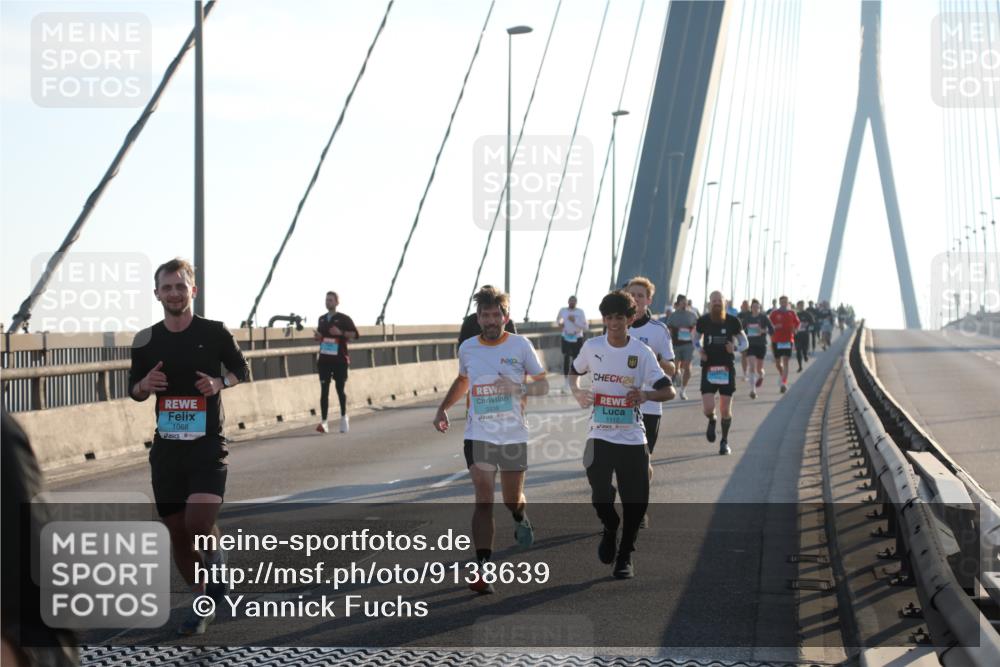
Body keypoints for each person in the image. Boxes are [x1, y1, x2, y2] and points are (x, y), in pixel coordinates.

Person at [129, 258, 250, 635]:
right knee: (177, 532)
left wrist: (219, 383)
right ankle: (201, 604)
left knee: (198, 523)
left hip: (207, 445)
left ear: (192, 290)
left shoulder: (214, 332)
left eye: (181, 286)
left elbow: (241, 370)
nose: (174, 293)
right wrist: (145, 385)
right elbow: (133, 391)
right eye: (167, 288)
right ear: (156, 294)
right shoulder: (146, 340)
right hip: (167, 450)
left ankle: (216, 558)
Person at [434, 286, 548, 594]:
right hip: (478, 434)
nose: (490, 320)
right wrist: (443, 408)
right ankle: (484, 568)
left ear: (505, 316)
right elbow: (462, 380)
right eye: (485, 315)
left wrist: (516, 390)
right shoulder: (468, 348)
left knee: (511, 499)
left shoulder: (521, 345)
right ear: (478, 317)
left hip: (512, 435)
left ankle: (520, 515)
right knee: (484, 499)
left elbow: (542, 386)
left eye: (496, 315)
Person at [570, 290, 674, 579]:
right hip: (599, 434)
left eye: (620, 318)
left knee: (636, 501)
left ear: (631, 319)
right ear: (603, 319)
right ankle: (609, 525)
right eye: (608, 318)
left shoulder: (641, 353)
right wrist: (578, 392)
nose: (613, 323)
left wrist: (645, 394)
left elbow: (669, 390)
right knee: (600, 493)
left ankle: (625, 554)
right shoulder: (592, 347)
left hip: (632, 437)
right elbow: (573, 371)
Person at [625, 277, 676, 529]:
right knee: (623, 464)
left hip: (650, 405)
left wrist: (656, 360)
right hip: (620, 405)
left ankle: (639, 510)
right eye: (631, 294)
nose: (635, 299)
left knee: (642, 463)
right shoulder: (616, 327)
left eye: (640, 295)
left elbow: (672, 367)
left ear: (649, 300)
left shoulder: (658, 330)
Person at [695, 291, 748, 455]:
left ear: (724, 303)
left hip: (726, 367)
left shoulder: (733, 321)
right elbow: (695, 339)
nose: (716, 303)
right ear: (709, 303)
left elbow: (745, 342)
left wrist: (736, 348)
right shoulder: (703, 320)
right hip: (709, 366)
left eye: (719, 300)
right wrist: (700, 351)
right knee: (708, 408)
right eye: (714, 300)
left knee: (725, 409)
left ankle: (724, 441)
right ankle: (712, 419)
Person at [314, 291, 359, 433]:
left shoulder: (344, 319)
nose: (328, 302)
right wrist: (319, 337)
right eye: (326, 300)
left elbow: (355, 334)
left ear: (337, 302)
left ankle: (344, 417)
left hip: (340, 360)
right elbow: (323, 337)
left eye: (331, 300)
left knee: (340, 389)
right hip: (324, 359)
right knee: (324, 391)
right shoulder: (321, 319)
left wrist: (341, 333)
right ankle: (324, 422)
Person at [665, 294, 699, 400]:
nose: (685, 305)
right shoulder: (673, 316)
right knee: (675, 368)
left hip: (688, 344)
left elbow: (698, 327)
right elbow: (668, 330)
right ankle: (677, 373)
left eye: (686, 302)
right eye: (683, 303)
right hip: (675, 344)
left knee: (688, 368)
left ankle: (683, 390)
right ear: (678, 303)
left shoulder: (692, 315)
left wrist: (696, 338)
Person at [738, 299, 773, 399]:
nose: (755, 309)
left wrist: (763, 330)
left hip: (761, 345)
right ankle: (753, 390)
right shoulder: (747, 318)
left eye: (757, 307)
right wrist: (741, 336)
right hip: (751, 345)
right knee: (752, 367)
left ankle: (761, 376)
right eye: (753, 307)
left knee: (759, 369)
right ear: (751, 308)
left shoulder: (764, 318)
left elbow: (772, 330)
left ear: (759, 308)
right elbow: (740, 329)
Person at [767, 295, 799, 394]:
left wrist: (795, 329)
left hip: (788, 340)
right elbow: (768, 324)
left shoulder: (791, 313)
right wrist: (775, 326)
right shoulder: (774, 313)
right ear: (780, 302)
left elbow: (797, 323)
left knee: (786, 362)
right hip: (777, 340)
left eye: (786, 301)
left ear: (787, 302)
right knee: (778, 363)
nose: (784, 303)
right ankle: (782, 375)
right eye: (782, 301)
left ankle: (783, 383)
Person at [556, 296, 587, 385]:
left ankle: (576, 380)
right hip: (566, 337)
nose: (572, 303)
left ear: (576, 302)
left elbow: (585, 326)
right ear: (568, 301)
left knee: (576, 359)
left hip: (577, 337)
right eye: (570, 301)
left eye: (574, 301)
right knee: (566, 358)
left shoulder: (580, 312)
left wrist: (575, 320)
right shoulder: (563, 310)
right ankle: (566, 381)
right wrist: (560, 324)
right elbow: (558, 320)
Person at [794, 300, 815, 372]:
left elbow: (812, 322)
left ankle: (805, 355)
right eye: (799, 305)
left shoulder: (808, 314)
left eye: (802, 305)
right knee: (798, 350)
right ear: (797, 306)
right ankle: (800, 366)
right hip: (797, 335)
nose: (801, 307)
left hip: (805, 334)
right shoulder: (795, 315)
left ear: (804, 306)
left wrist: (809, 327)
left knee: (804, 348)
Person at [737, 300, 752, 381]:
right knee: (744, 355)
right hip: (742, 337)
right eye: (744, 305)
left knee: (751, 356)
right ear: (741, 306)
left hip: (752, 337)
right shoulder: (739, 315)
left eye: (747, 305)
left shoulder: (751, 314)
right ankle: (745, 373)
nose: (745, 306)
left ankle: (751, 370)